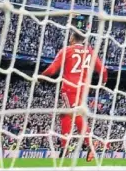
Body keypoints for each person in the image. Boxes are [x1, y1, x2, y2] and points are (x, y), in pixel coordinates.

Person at [41, 31, 108, 162]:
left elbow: (52, 69)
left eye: (70, 36)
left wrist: (40, 77)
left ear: (73, 38)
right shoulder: (89, 51)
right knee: (64, 114)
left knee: (75, 115)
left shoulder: (67, 50)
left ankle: (90, 143)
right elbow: (103, 70)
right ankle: (65, 146)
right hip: (83, 89)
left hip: (70, 89)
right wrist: (104, 80)